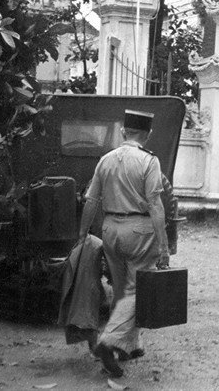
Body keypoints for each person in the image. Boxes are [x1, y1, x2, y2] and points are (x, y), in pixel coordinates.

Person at [78, 109, 170, 378]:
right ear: (148, 135)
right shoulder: (148, 161)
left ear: (122, 132)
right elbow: (155, 204)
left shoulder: (105, 160)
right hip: (139, 230)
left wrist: (83, 233)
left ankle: (128, 346)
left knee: (121, 288)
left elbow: (91, 200)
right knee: (138, 290)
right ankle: (110, 341)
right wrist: (163, 246)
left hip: (110, 228)